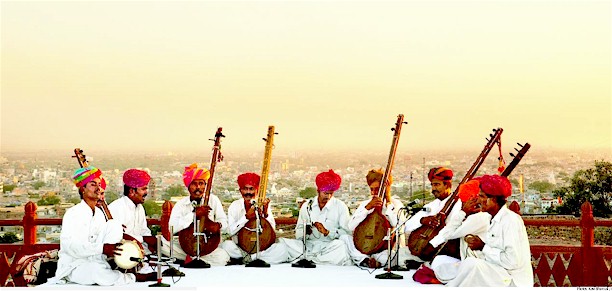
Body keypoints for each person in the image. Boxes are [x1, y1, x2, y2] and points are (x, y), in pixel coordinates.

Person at [49, 166, 154, 285]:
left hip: (97, 261)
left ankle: (116, 269)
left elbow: (108, 237)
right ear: (82, 189)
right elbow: (71, 247)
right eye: (93, 184)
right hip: (74, 266)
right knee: (97, 272)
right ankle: (133, 278)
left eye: (99, 184)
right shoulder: (74, 213)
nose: (98, 188)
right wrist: (103, 248)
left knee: (114, 225)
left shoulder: (99, 214)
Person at [444, 174, 533, 287]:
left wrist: (483, 247)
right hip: (499, 274)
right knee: (468, 265)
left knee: (472, 265)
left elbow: (512, 262)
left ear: (493, 199)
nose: (479, 200)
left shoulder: (510, 221)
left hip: (513, 281)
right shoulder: (491, 218)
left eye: (482, 196)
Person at [160, 163, 230, 267]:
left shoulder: (213, 200)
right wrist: (193, 215)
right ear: (188, 186)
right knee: (163, 245)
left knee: (223, 256)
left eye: (201, 184)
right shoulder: (181, 204)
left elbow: (224, 222)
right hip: (186, 247)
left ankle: (188, 260)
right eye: (194, 184)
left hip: (207, 247)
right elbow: (172, 227)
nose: (198, 187)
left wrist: (218, 226)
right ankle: (195, 259)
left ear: (205, 186)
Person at [278, 169, 352, 266]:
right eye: (326, 193)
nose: (328, 196)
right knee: (284, 243)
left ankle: (310, 260)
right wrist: (305, 231)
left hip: (329, 247)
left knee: (341, 247)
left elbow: (346, 233)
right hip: (308, 246)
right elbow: (298, 232)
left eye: (331, 193)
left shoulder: (340, 207)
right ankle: (316, 259)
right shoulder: (307, 206)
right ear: (318, 191)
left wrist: (327, 232)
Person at [398, 167, 463, 269]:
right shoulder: (432, 205)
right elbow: (408, 226)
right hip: (424, 250)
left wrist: (431, 244)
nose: (433, 189)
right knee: (399, 254)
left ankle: (424, 265)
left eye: (437, 185)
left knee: (442, 264)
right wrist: (423, 220)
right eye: (432, 185)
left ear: (447, 185)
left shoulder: (457, 205)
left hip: (443, 250)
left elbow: (450, 230)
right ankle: (424, 265)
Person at [341, 169, 405, 268]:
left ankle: (375, 260)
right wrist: (367, 208)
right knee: (344, 238)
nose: (374, 193)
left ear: (385, 188)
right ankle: (365, 260)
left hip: (385, 249)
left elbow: (398, 225)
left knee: (397, 255)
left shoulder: (395, 204)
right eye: (371, 189)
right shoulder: (365, 204)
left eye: (377, 189)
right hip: (364, 246)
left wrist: (388, 201)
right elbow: (350, 226)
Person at [220, 172, 288, 265]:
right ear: (240, 191)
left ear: (257, 190)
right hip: (240, 249)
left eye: (251, 189)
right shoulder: (235, 206)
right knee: (226, 246)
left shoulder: (263, 205)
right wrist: (246, 217)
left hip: (262, 247)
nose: (248, 192)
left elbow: (272, 231)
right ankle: (256, 259)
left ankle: (248, 259)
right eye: (245, 189)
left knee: (282, 250)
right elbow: (230, 232)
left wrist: (265, 214)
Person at [108, 169, 157, 255]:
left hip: (141, 251)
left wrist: (151, 241)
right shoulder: (116, 208)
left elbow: (144, 231)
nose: (146, 192)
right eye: (143, 189)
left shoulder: (139, 207)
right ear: (131, 192)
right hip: (122, 254)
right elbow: (117, 237)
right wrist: (143, 239)